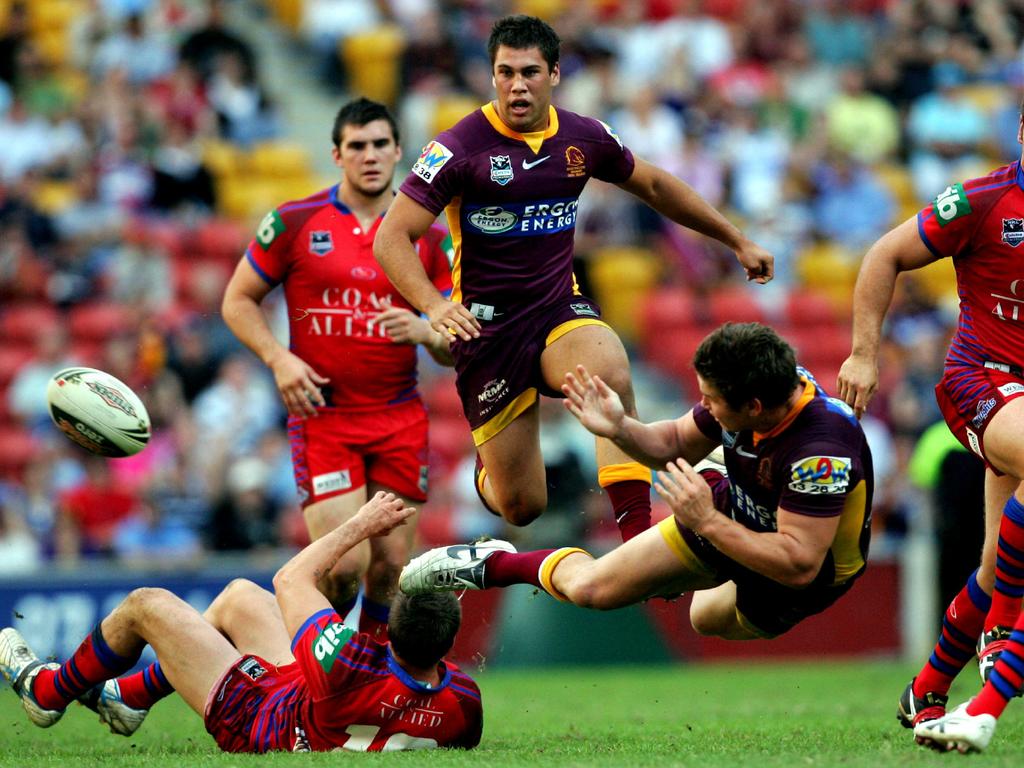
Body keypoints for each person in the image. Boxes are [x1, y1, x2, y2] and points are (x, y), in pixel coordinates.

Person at [374, 15, 774, 543]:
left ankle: (637, 535)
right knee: (522, 506)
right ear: (491, 76)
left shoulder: (583, 137)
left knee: (607, 370)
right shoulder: (458, 148)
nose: (517, 85)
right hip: (488, 332)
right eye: (505, 72)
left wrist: (736, 239)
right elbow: (390, 238)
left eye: (530, 72)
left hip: (558, 307)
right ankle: (487, 472)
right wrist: (434, 305)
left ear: (555, 74)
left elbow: (653, 184)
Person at [400, 324, 873, 642]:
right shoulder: (758, 393)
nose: (703, 405)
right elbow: (670, 443)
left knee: (707, 618)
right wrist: (619, 428)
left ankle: (716, 493)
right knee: (592, 590)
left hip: (805, 569)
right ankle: (494, 563)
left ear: (753, 406)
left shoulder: (820, 453)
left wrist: (705, 521)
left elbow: (797, 566)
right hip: (735, 509)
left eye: (711, 399)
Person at [222, 97, 454, 639]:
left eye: (380, 144)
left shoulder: (432, 239)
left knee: (392, 569)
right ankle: (299, 675)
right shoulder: (295, 221)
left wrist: (426, 331)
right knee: (342, 569)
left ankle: (363, 686)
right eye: (357, 146)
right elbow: (237, 300)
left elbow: (454, 343)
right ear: (337, 154)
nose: (370, 155)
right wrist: (278, 359)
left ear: (399, 151)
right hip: (325, 419)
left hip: (399, 416)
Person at [0, 492, 483, 752]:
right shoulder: (463, 702)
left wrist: (362, 525)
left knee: (146, 604)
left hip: (262, 721)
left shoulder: (348, 659)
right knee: (239, 598)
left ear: (392, 631)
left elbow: (291, 578)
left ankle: (46, 694)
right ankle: (131, 697)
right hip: (313, 700)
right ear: (447, 645)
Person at [837, 101, 1024, 735]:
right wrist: (865, 355)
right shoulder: (982, 200)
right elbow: (882, 255)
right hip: (982, 383)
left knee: (1000, 563)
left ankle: (928, 687)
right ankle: (1000, 648)